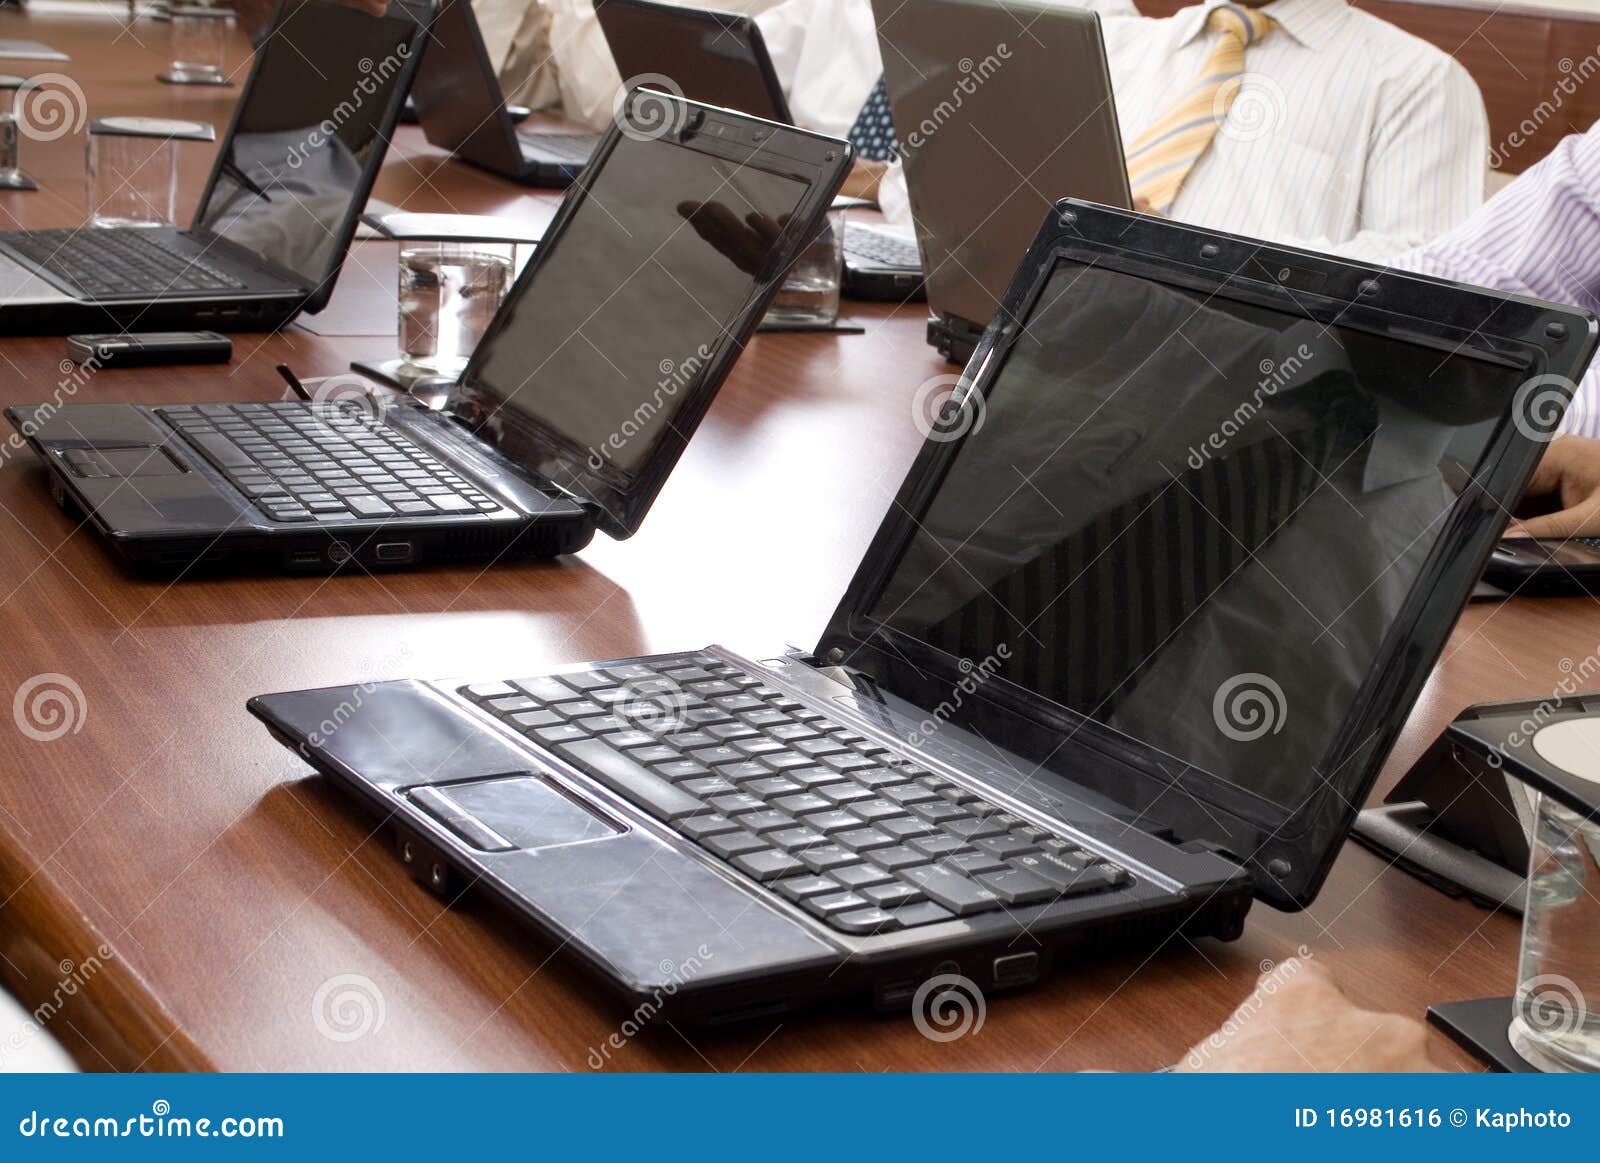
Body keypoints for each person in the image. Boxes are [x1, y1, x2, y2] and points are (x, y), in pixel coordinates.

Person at [878, 0, 1487, 262]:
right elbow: (920, 192)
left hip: (1249, 399)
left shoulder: (1419, 83)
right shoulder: (1110, 43)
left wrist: (1184, 253)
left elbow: (1427, 281)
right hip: (1027, 341)